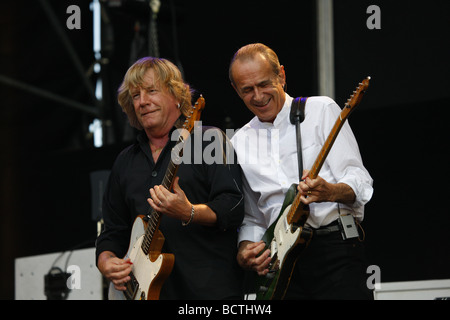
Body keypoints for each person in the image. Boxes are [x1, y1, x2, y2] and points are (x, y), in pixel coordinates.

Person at [229, 43, 374, 299]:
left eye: (264, 84)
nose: (258, 96)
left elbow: (360, 181)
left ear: (281, 76)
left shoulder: (321, 110)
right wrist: (245, 250)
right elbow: (252, 217)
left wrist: (330, 191)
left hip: (334, 248)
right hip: (282, 264)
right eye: (247, 90)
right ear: (236, 90)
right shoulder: (238, 142)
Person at [96, 57, 245, 299]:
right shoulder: (125, 162)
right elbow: (113, 232)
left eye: (152, 91)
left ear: (177, 96)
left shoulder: (208, 140)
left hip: (207, 294)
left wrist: (189, 211)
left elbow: (234, 206)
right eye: (135, 96)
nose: (143, 102)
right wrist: (106, 262)